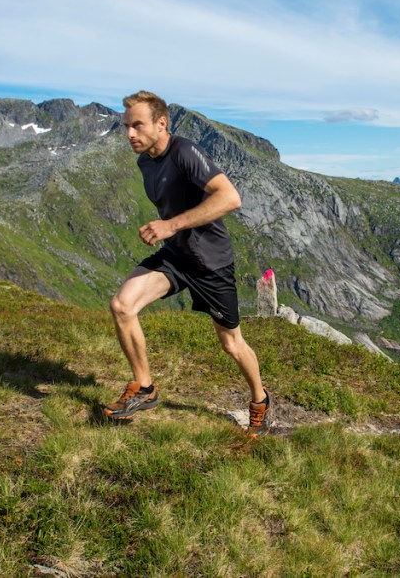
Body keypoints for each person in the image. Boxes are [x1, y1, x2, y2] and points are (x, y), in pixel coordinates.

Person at [103, 90, 274, 437]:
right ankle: (145, 388)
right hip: (176, 255)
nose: (129, 134)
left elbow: (230, 197)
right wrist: (167, 232)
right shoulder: (144, 162)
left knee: (231, 344)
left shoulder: (185, 152)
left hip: (211, 263)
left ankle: (260, 401)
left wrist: (170, 225)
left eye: (137, 125)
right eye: (126, 127)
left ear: (161, 123)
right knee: (122, 306)